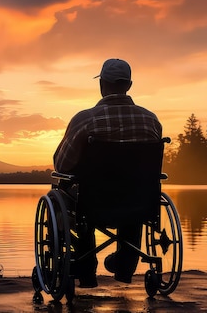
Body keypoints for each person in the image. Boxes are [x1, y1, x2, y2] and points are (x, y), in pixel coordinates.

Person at [53, 58, 162, 288]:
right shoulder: (150, 120)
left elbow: (62, 165)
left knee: (70, 196)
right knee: (135, 192)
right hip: (139, 203)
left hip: (94, 203)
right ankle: (125, 265)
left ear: (102, 84)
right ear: (129, 85)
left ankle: (86, 268)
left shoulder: (85, 119)